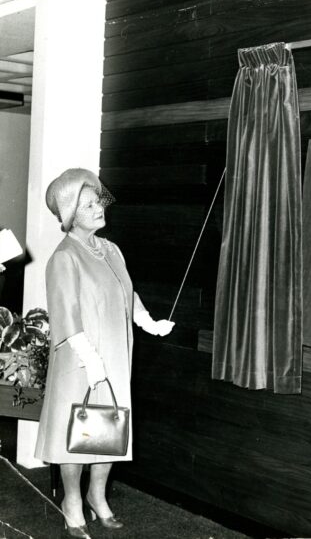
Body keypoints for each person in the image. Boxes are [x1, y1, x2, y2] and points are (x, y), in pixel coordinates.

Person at [35, 168, 174, 538]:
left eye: (98, 200)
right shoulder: (64, 258)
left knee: (107, 428)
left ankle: (97, 497)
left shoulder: (110, 249)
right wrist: (91, 360)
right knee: (77, 434)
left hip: (113, 353)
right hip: (80, 358)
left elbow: (126, 292)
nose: (99, 207)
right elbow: (66, 315)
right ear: (69, 214)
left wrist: (148, 321)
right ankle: (72, 503)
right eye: (90, 203)